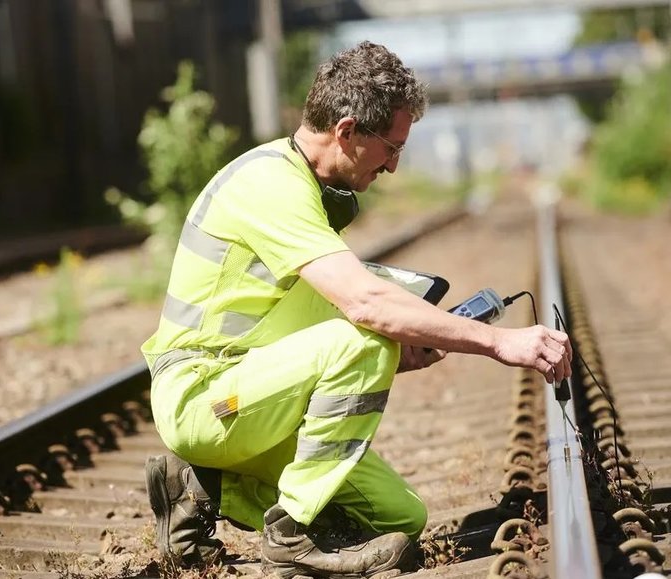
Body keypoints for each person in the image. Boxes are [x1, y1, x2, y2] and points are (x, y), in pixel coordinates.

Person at [142, 40, 572, 578]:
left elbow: (328, 312)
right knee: (367, 335)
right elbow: (365, 305)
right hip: (203, 396)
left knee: (402, 518)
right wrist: (497, 341)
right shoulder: (270, 184)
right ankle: (291, 535)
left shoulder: (304, 186)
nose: (393, 166)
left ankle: (201, 485)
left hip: (254, 394)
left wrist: (405, 344)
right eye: (391, 148)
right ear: (346, 131)